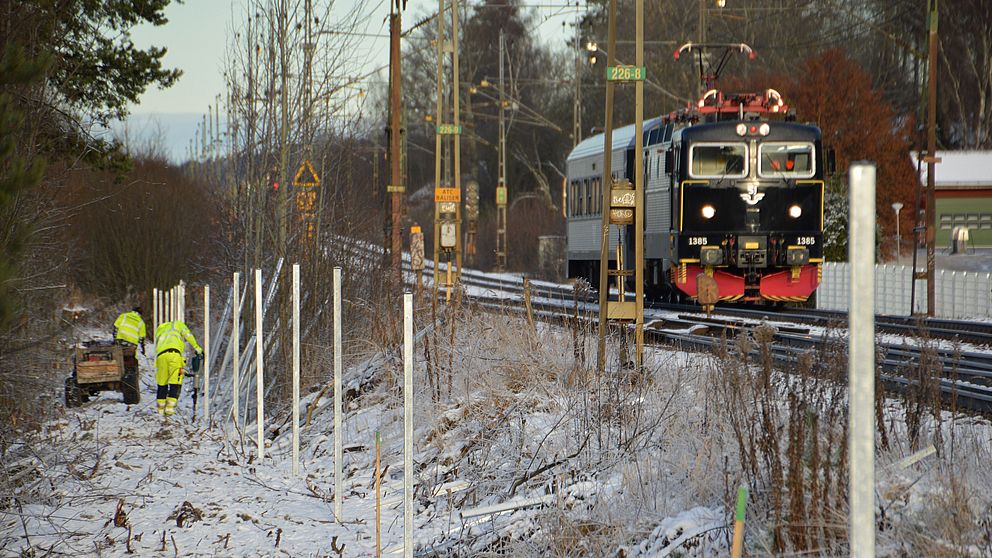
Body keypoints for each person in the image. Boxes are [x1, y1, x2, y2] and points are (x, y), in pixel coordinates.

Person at [154, 320, 202, 417]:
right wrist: (197, 347)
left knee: (162, 383)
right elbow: (188, 335)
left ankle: (160, 411)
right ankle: (169, 411)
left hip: (161, 357)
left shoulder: (160, 329)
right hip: (174, 355)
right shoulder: (178, 324)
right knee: (175, 382)